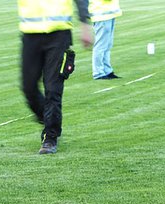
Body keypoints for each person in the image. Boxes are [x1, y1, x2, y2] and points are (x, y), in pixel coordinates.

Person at [19, 0, 93, 154]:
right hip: (30, 34)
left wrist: (85, 24)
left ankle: (50, 138)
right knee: (28, 87)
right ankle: (48, 119)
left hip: (59, 35)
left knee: (53, 88)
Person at [90, 0, 122, 80]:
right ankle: (98, 73)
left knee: (107, 45)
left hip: (108, 14)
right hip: (101, 15)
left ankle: (107, 71)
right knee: (101, 45)